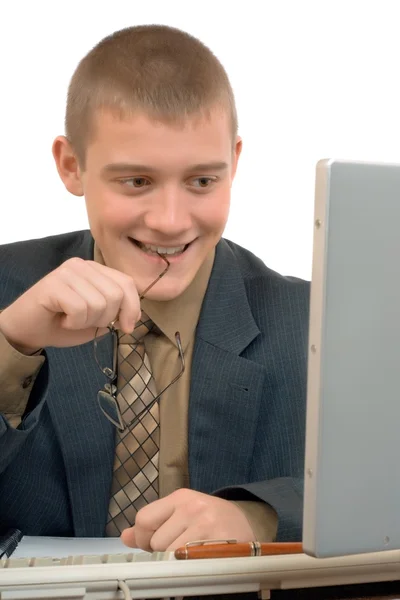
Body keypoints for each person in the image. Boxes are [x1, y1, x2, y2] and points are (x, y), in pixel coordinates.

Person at [0, 24, 309, 556]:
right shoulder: (7, 291)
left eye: (202, 182)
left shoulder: (312, 321)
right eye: (137, 181)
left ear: (234, 164)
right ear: (72, 166)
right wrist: (10, 346)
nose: (170, 221)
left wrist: (256, 518)